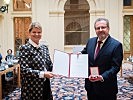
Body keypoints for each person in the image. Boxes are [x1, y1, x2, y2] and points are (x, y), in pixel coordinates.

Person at [81, 18, 123, 100]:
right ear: (95, 30)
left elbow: (115, 67)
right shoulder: (91, 41)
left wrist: (102, 77)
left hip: (106, 88)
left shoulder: (116, 45)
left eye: (103, 27)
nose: (100, 30)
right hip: (91, 86)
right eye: (98, 28)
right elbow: (85, 53)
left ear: (108, 28)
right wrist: (78, 55)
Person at [19, 22, 55, 100]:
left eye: (39, 32)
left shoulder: (44, 48)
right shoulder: (24, 48)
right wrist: (43, 74)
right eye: (34, 32)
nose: (37, 34)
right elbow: (24, 70)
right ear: (29, 33)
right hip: (32, 89)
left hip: (46, 85)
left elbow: (49, 65)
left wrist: (60, 67)